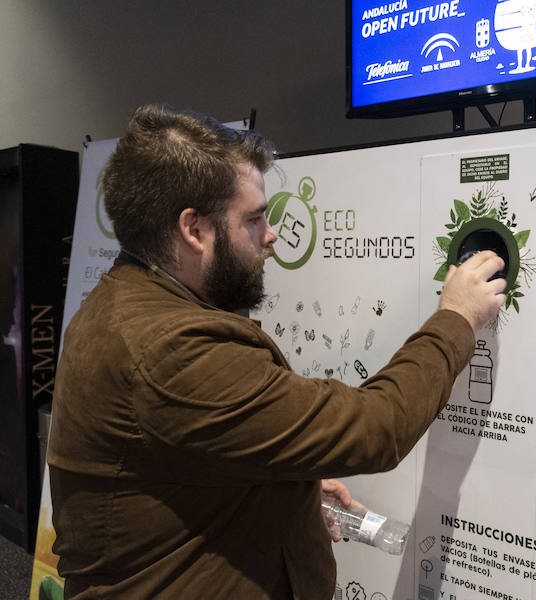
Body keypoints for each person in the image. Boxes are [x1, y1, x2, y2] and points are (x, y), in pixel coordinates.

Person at [47, 104, 506, 599]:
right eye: (254, 219)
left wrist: (286, 490)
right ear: (193, 230)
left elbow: (182, 468)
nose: (271, 236)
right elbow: (379, 427)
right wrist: (457, 317)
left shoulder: (120, 302)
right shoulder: (174, 349)